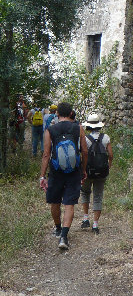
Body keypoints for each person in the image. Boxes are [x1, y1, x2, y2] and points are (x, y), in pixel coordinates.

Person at [39, 102, 88, 250]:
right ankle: (64, 237)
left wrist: (42, 176)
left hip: (55, 171)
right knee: (69, 204)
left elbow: (46, 154)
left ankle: (58, 228)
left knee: (55, 201)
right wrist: (83, 170)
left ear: (57, 114)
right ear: (71, 113)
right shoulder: (78, 128)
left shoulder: (50, 129)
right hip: (74, 171)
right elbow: (84, 151)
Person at [80, 113, 113, 234]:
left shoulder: (85, 139)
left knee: (85, 192)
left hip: (87, 172)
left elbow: (83, 154)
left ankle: (85, 218)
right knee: (98, 196)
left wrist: (82, 170)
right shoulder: (106, 138)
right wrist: (108, 166)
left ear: (88, 126)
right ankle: (95, 224)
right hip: (102, 172)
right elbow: (110, 155)